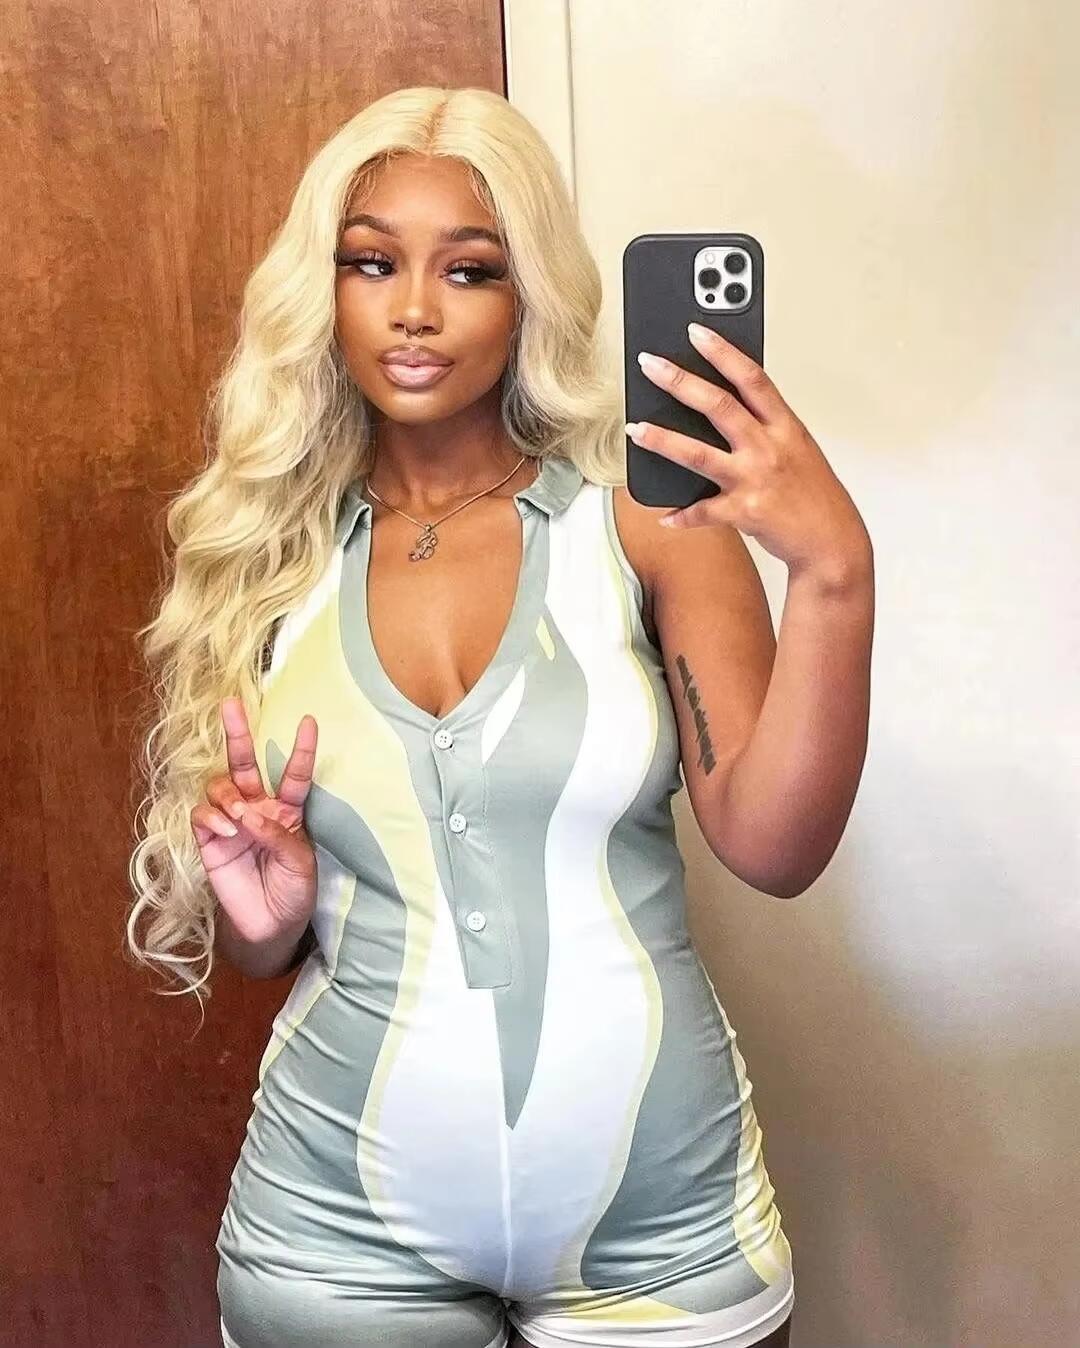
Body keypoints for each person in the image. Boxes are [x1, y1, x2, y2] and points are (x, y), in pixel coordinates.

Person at [129, 84, 874, 1348]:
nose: (415, 309)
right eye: (373, 262)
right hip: (335, 1240)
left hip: (662, 1232)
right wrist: (270, 918)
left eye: (468, 270)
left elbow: (775, 846)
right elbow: (266, 948)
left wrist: (835, 574)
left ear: (528, 296)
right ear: (325, 288)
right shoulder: (270, 555)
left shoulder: (644, 523)